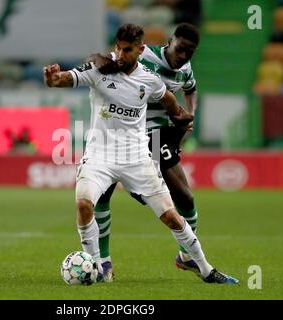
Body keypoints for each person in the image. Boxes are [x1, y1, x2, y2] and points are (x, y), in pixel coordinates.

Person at [43, 23, 238, 284]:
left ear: (141, 50)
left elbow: (168, 98)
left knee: (172, 217)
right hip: (100, 155)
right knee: (84, 203)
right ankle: (97, 268)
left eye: (128, 50)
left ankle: (206, 270)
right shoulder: (98, 70)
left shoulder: (149, 80)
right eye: (119, 49)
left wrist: (180, 118)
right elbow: (61, 80)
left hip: (137, 157)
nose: (121, 55)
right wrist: (51, 77)